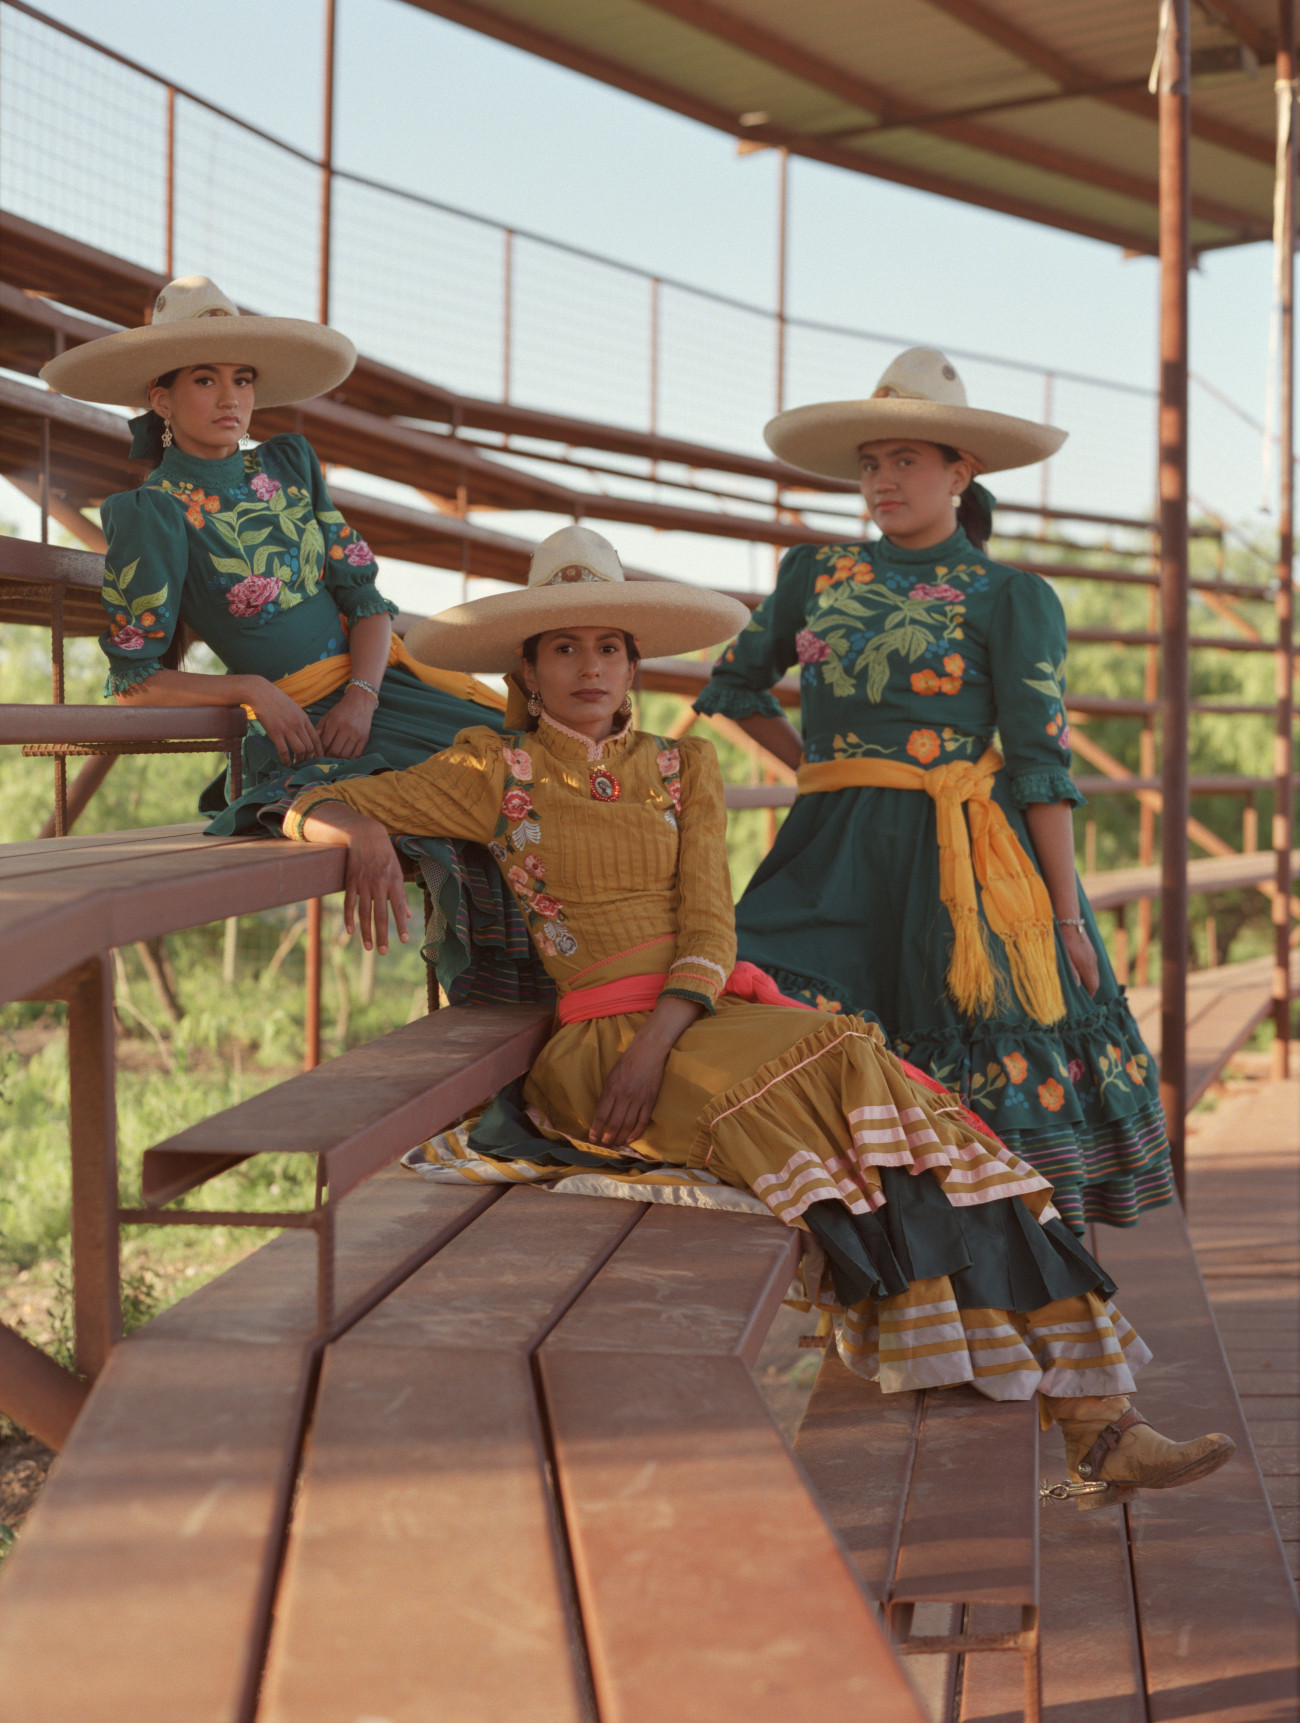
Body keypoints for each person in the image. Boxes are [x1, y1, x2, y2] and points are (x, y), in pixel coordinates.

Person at [278, 523, 1232, 1494]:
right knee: (843, 1106)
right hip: (601, 1038)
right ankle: (1044, 1419)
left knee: (892, 1089)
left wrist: (666, 1033)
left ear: (633, 663)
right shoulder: (492, 769)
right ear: (527, 666)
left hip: (695, 1019)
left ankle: (1100, 1414)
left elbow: (707, 918)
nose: (588, 667)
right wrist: (352, 830)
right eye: (563, 647)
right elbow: (303, 794)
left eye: (608, 646)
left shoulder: (680, 766)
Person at [694, 348, 1173, 1238]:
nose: (882, 480)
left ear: (962, 471)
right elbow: (733, 686)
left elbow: (1041, 767)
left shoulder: (1012, 595)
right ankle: (866, 1280)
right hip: (830, 854)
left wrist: (1068, 919)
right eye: (871, 463)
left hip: (972, 863)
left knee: (977, 1054)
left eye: (905, 460)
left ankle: (1003, 1290)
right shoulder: (813, 574)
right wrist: (826, 768)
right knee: (750, 1004)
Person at [40, 275, 536, 998]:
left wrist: (362, 696)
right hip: (300, 722)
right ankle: (506, 1001)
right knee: (465, 795)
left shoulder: (290, 464)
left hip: (382, 688)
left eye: (242, 378)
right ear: (160, 397)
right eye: (204, 379)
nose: (230, 397)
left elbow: (368, 604)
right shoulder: (152, 512)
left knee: (532, 769)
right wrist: (249, 688)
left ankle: (584, 990)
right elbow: (132, 679)